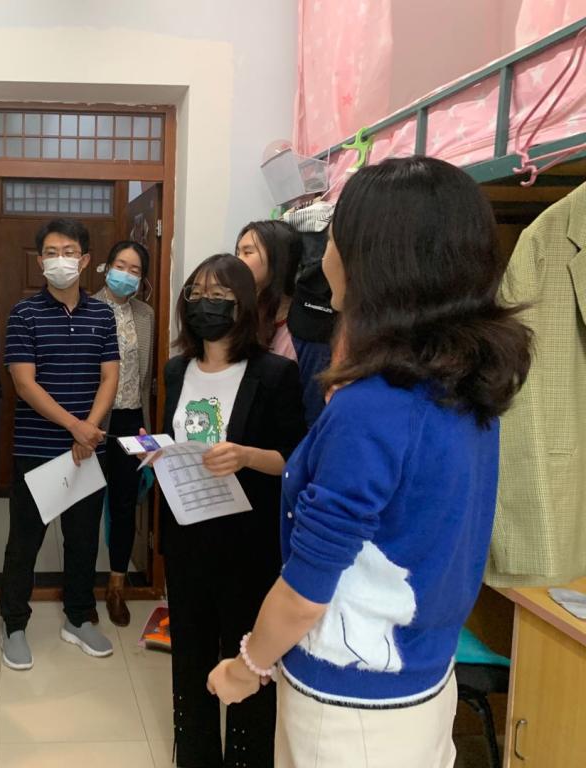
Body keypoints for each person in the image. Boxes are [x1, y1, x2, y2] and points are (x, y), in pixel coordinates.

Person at [207, 157, 533, 768]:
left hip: (347, 710)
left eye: (333, 237)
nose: (323, 254)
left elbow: (306, 592)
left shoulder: (374, 407)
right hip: (423, 683)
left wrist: (246, 666)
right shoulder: (466, 384)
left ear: (371, 258)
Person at [159, 254, 306, 767]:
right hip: (187, 539)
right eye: (197, 294)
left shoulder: (275, 373)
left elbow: (294, 458)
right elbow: (175, 439)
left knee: (247, 660)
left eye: (219, 296)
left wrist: (245, 456)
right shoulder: (176, 370)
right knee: (189, 658)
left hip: (248, 545)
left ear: (243, 305)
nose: (206, 304)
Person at [0, 218, 120, 670]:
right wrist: (76, 427)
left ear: (85, 260)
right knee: (24, 541)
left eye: (68, 252)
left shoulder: (102, 314)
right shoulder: (24, 314)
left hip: (88, 449)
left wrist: (90, 429)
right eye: (51, 252)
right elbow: (24, 384)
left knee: (83, 539)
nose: (59, 260)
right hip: (37, 447)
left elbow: (110, 376)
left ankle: (78, 617)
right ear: (40, 261)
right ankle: (14, 623)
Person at [93, 240, 155, 626]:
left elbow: (146, 377)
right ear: (106, 266)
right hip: (93, 421)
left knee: (124, 503)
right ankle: (80, 586)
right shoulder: (86, 308)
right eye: (120, 265)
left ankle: (117, 585)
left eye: (135, 270)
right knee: (85, 504)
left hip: (132, 422)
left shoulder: (146, 315)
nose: (126, 274)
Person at [235, 220, 303, 361]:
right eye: (237, 253)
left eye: (247, 252)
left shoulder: (298, 331)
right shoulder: (235, 313)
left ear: (277, 259)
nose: (237, 261)